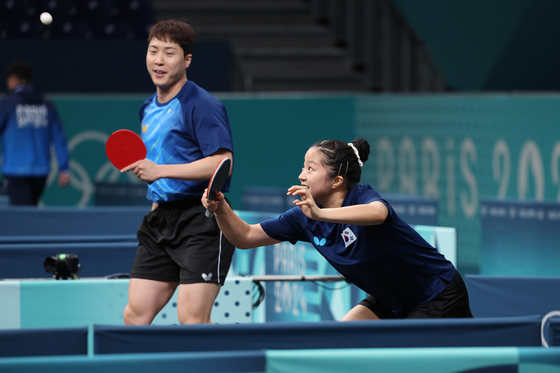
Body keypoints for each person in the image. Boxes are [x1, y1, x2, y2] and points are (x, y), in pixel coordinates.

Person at [203, 138, 473, 320]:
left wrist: (321, 213)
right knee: (338, 342)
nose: (301, 175)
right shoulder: (303, 217)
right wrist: (222, 208)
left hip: (437, 292)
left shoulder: (362, 197)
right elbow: (244, 237)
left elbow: (379, 214)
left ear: (337, 181)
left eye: (310, 168)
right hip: (390, 298)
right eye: (302, 167)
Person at [121, 19, 235, 325]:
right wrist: (157, 202)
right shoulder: (147, 108)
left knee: (192, 319)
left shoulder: (201, 104)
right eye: (153, 51)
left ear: (187, 60)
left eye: (169, 53)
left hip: (201, 220)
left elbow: (221, 162)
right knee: (135, 316)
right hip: (160, 221)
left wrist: (160, 171)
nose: (158, 60)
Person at [0, 61, 71, 206]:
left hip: (15, 171)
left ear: (13, 80)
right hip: (41, 171)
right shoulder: (47, 105)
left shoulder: (7, 104)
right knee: (30, 209)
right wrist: (64, 168)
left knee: (23, 216)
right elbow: (59, 139)